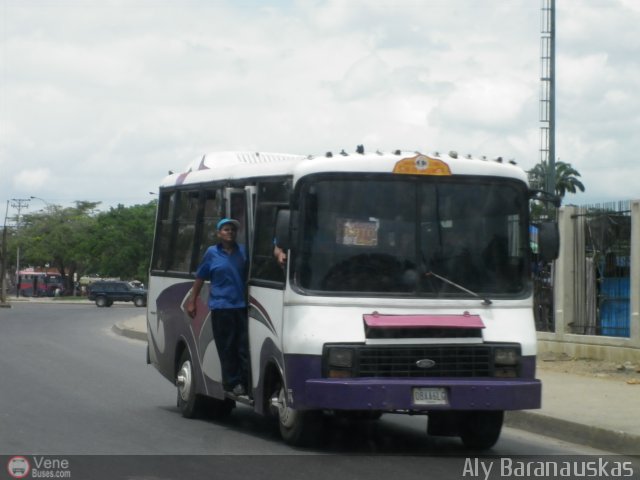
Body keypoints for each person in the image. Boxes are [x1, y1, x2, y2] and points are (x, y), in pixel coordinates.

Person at [186, 218, 248, 396]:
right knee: (227, 347)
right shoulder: (211, 253)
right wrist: (192, 301)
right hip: (221, 307)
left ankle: (245, 381)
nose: (230, 232)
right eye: (226, 229)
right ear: (219, 233)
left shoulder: (243, 252)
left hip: (241, 306)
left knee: (243, 347)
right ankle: (232, 383)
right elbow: (200, 278)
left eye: (233, 230)